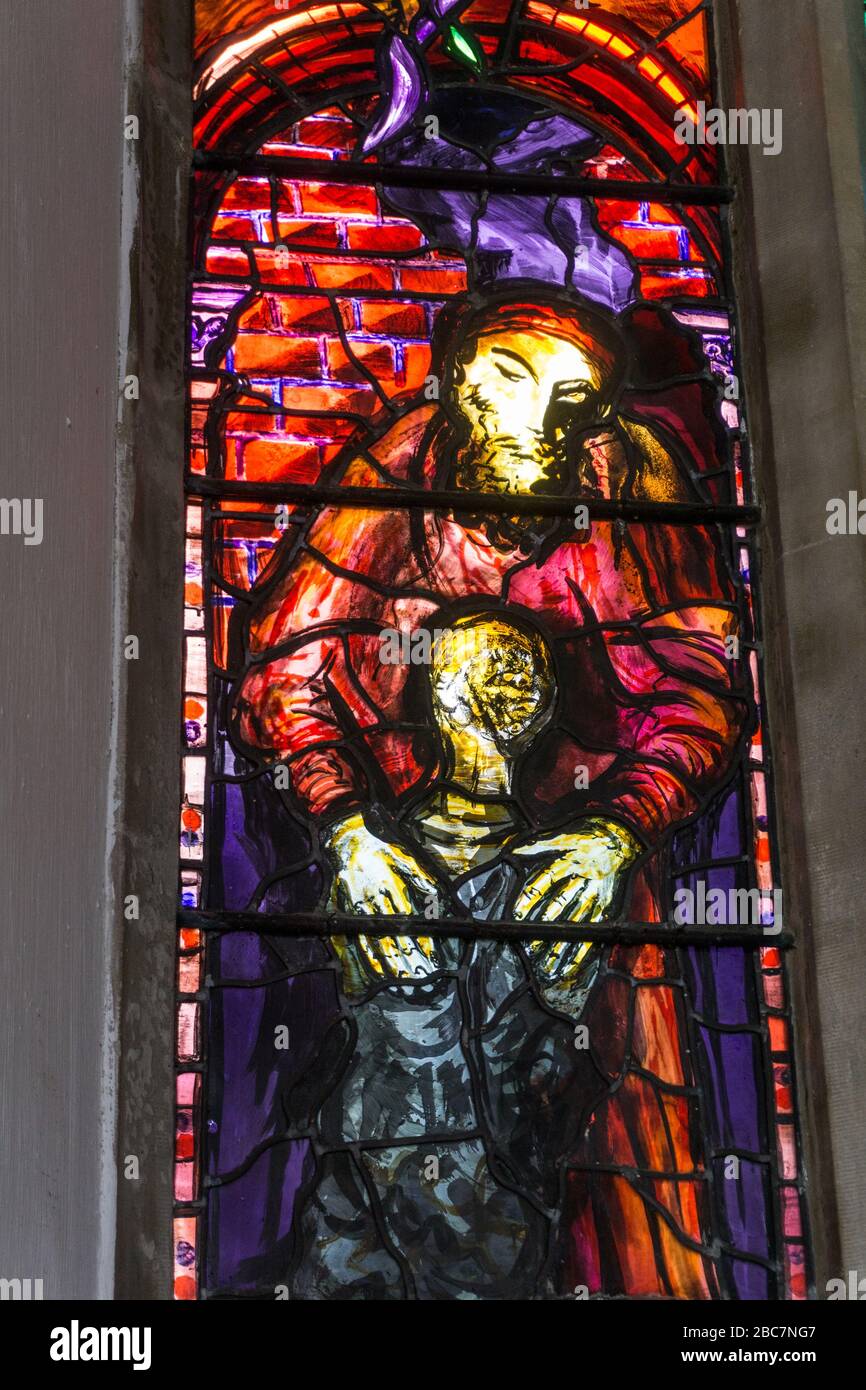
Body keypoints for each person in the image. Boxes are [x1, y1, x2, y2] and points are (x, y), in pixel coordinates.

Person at [233, 286, 749, 1297]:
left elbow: (695, 686)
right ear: (455, 383)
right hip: (392, 863)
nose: (541, 422)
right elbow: (285, 672)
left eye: (575, 398)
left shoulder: (631, 475)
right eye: (510, 381)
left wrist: (611, 833)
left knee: (609, 1144)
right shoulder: (398, 468)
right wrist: (346, 827)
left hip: (585, 871)